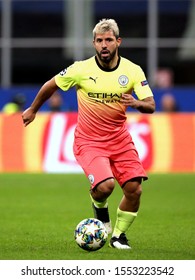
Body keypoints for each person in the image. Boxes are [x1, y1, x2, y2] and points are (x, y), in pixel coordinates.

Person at [22, 19, 155, 249]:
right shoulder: (80, 69)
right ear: (93, 43)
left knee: (135, 190)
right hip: (89, 140)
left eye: (109, 40)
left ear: (118, 42)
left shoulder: (132, 70)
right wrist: (33, 109)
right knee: (106, 186)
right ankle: (99, 207)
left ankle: (118, 237)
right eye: (100, 41)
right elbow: (50, 85)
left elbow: (151, 104)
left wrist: (135, 102)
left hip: (120, 139)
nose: (104, 45)